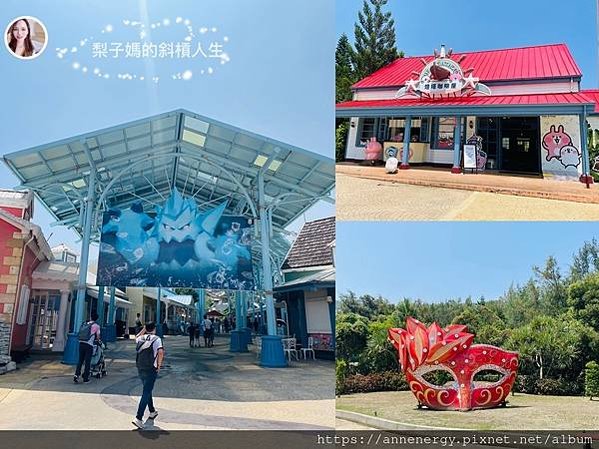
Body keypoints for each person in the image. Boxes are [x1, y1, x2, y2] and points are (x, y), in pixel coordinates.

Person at [132, 322, 164, 429]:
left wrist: (144, 329)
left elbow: (136, 337)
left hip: (140, 367)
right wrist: (159, 365)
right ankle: (138, 417)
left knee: (147, 388)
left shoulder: (140, 338)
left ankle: (152, 411)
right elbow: (160, 352)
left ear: (146, 328)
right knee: (146, 391)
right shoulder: (156, 339)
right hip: (151, 368)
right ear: (154, 329)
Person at [74, 311, 101, 383]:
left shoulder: (84, 323)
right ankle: (85, 378)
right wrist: (97, 340)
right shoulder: (96, 326)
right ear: (96, 319)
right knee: (87, 362)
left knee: (80, 360)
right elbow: (98, 337)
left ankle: (76, 375)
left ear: (90, 317)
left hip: (81, 343)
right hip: (89, 344)